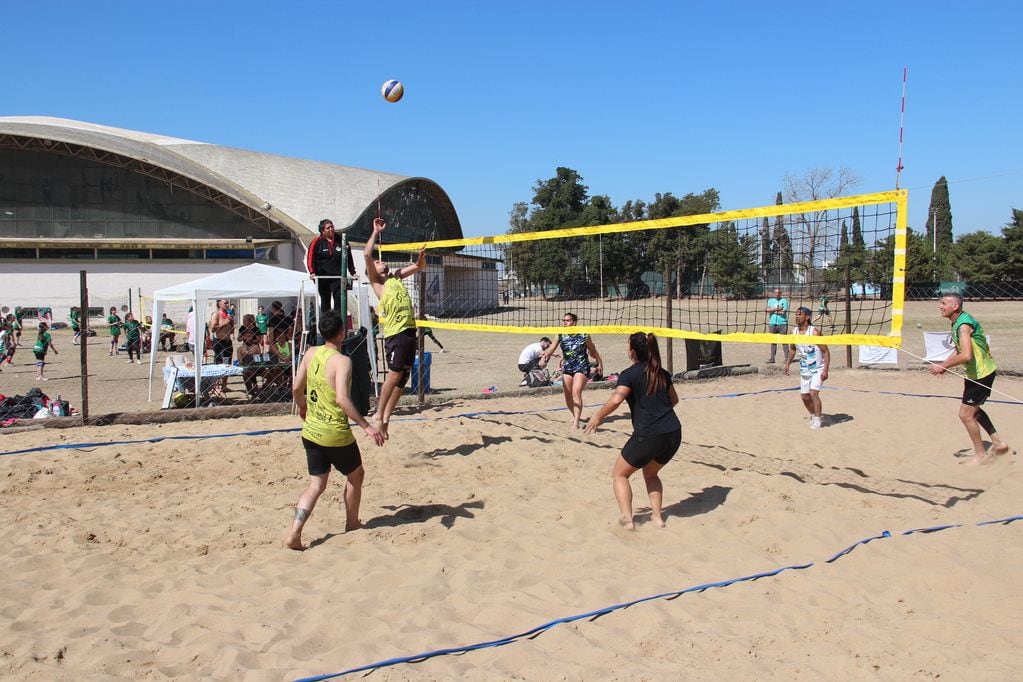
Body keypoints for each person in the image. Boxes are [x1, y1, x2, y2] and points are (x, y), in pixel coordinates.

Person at [284, 310, 385, 550]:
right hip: (335, 433)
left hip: (311, 432)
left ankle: (295, 532)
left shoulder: (310, 353)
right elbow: (341, 399)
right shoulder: (343, 361)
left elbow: (296, 388)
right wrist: (367, 426)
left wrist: (302, 407)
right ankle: (352, 523)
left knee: (316, 485)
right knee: (356, 475)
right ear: (342, 333)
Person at [584, 332, 681, 530]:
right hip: (673, 433)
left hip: (649, 434)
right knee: (651, 474)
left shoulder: (629, 374)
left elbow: (617, 399)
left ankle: (628, 519)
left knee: (619, 474)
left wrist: (597, 417)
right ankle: (657, 518)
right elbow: (674, 400)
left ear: (632, 352)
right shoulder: (661, 372)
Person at [928, 292, 1011, 464]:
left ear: (955, 306)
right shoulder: (958, 322)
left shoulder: (963, 326)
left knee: (965, 415)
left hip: (981, 374)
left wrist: (942, 366)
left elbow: (966, 355)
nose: (940, 306)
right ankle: (998, 443)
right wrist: (945, 364)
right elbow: (960, 349)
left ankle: (980, 455)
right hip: (978, 373)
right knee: (975, 411)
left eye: (943, 303)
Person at [364, 216, 426, 439]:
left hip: (409, 329)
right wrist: (376, 232)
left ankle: (387, 417)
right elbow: (367, 254)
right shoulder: (377, 282)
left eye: (381, 262)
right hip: (395, 333)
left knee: (403, 377)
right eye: (379, 263)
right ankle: (378, 414)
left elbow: (419, 267)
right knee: (394, 373)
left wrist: (420, 257)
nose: (381, 262)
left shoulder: (396, 276)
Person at [542, 313, 603, 430]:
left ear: (574, 322)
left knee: (576, 392)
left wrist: (599, 363)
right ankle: (575, 415)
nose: (565, 322)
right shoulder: (560, 334)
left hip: (582, 366)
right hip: (568, 367)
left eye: (568, 320)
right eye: (563, 320)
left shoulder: (583, 335)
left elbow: (593, 350)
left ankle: (576, 421)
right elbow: (551, 348)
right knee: (568, 395)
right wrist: (546, 353)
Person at [783, 306, 830, 430]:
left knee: (813, 393)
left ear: (807, 317)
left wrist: (825, 370)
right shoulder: (794, 332)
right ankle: (814, 415)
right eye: (796, 314)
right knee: (804, 397)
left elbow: (826, 351)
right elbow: (793, 349)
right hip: (804, 369)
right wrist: (788, 363)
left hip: (818, 368)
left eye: (800, 314)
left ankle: (818, 420)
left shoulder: (814, 332)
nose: (797, 316)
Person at [306, 218, 357, 313]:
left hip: (338, 277)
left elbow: (348, 257)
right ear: (322, 231)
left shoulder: (342, 240)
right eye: (328, 228)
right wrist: (312, 272)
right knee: (325, 301)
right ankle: (326, 324)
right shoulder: (316, 242)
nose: (331, 229)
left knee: (339, 300)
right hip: (323, 277)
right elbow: (310, 258)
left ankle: (338, 324)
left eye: (332, 227)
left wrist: (353, 272)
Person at [765, 287, 789, 364]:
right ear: (773, 293)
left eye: (779, 293)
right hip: (772, 323)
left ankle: (787, 358)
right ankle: (772, 358)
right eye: (776, 293)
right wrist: (777, 309)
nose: (777, 294)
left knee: (784, 341)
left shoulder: (784, 301)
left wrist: (773, 311)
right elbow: (767, 310)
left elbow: (783, 312)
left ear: (781, 293)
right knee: (773, 342)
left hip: (782, 323)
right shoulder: (770, 301)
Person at [209, 299, 234, 365]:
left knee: (228, 362)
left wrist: (231, 324)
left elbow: (231, 329)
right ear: (219, 304)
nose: (228, 305)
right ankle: (220, 375)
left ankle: (226, 375)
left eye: (228, 303)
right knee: (219, 362)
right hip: (219, 341)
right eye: (225, 303)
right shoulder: (216, 314)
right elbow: (212, 329)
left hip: (228, 341)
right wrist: (224, 323)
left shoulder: (228, 314)